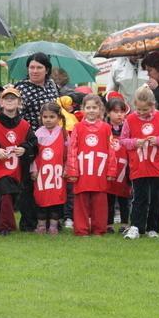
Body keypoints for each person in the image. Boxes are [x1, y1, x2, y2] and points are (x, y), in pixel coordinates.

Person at [0, 86, 36, 236]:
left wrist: (24, 148)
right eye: (6, 98)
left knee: (12, 197)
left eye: (13, 98)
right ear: (1, 102)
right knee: (3, 194)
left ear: (19, 103)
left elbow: (33, 143)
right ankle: (5, 226)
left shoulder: (25, 125)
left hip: (17, 170)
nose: (10, 101)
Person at [15, 52, 60, 231]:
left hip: (52, 141)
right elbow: (18, 117)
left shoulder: (52, 85)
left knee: (50, 181)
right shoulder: (21, 88)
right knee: (30, 181)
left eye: (39, 67)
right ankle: (30, 221)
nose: (34, 71)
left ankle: (52, 219)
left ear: (47, 69)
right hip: (31, 140)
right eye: (31, 67)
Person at [120, 84, 159, 239]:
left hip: (157, 165)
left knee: (157, 198)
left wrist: (158, 140)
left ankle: (153, 228)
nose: (141, 112)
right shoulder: (130, 119)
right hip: (139, 165)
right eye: (139, 109)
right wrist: (135, 142)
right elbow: (123, 140)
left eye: (145, 109)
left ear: (152, 105)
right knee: (139, 198)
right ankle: (136, 226)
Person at [66, 94, 117, 237]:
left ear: (100, 109)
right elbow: (72, 150)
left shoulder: (106, 128)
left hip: (99, 171)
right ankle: (81, 230)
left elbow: (111, 150)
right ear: (83, 109)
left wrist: (111, 171)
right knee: (81, 201)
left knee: (99, 201)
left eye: (94, 107)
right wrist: (72, 171)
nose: (91, 110)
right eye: (88, 107)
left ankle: (99, 230)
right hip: (82, 171)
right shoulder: (78, 127)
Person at [30, 102, 68, 235]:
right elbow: (33, 154)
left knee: (56, 199)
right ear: (41, 117)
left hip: (57, 174)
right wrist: (33, 169)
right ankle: (41, 226)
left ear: (58, 118)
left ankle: (53, 226)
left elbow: (68, 153)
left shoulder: (63, 133)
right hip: (42, 174)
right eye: (45, 117)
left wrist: (67, 168)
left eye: (52, 117)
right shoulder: (38, 134)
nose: (48, 120)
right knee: (41, 198)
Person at [105, 95, 131, 234]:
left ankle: (125, 223)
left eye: (122, 111)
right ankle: (108, 224)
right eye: (115, 111)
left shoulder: (127, 129)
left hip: (124, 167)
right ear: (108, 113)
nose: (119, 114)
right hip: (109, 167)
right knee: (109, 197)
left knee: (124, 197)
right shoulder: (104, 128)